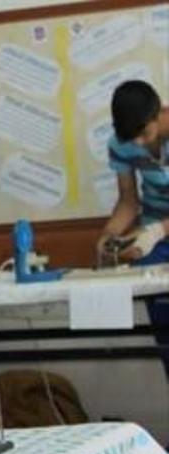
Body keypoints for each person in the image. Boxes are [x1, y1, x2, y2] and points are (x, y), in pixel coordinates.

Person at [98, 80, 169, 379]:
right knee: (165, 333)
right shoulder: (120, 143)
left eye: (144, 134)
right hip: (157, 237)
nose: (138, 143)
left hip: (158, 232)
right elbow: (128, 201)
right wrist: (109, 236)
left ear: (158, 113)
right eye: (131, 138)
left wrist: (156, 232)